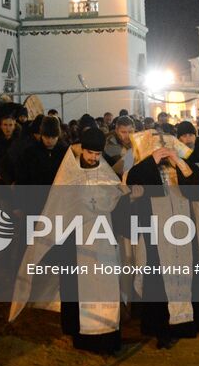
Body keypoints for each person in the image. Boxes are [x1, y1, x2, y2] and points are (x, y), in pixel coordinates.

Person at [10, 123, 128, 353]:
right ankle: (79, 334)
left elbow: (115, 195)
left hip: (101, 239)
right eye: (90, 153)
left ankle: (106, 335)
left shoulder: (105, 171)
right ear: (82, 149)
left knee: (104, 285)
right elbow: (59, 204)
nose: (94, 158)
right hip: (73, 241)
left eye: (97, 154)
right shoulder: (69, 172)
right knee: (74, 287)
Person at [125, 125, 199, 347]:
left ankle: (185, 325)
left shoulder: (181, 165)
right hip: (156, 233)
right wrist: (151, 160)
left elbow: (196, 190)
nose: (163, 150)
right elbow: (132, 179)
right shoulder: (143, 167)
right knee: (158, 281)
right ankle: (161, 330)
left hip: (183, 232)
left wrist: (178, 161)